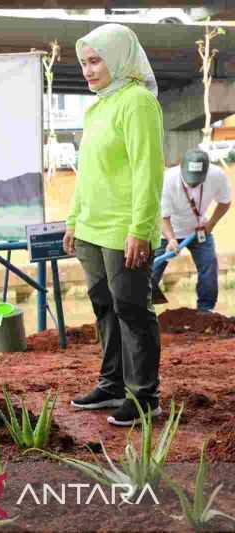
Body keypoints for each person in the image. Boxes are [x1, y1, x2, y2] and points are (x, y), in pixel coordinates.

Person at [63, 24, 165, 426]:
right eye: (84, 63)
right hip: (91, 228)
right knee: (104, 307)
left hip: (124, 229)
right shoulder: (98, 106)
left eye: (95, 61)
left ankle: (144, 396)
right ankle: (112, 384)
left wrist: (141, 228)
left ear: (120, 57)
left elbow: (148, 171)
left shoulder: (137, 102)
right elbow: (88, 172)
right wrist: (73, 221)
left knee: (132, 309)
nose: (88, 70)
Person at [151, 149, 231, 312]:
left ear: (206, 171)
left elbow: (225, 202)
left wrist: (211, 224)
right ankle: (142, 309)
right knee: (150, 272)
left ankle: (206, 309)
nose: (192, 184)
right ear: (181, 168)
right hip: (166, 232)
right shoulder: (167, 180)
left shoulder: (217, 176)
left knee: (209, 265)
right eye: (189, 180)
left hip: (198, 230)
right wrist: (171, 239)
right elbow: (162, 216)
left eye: (197, 181)